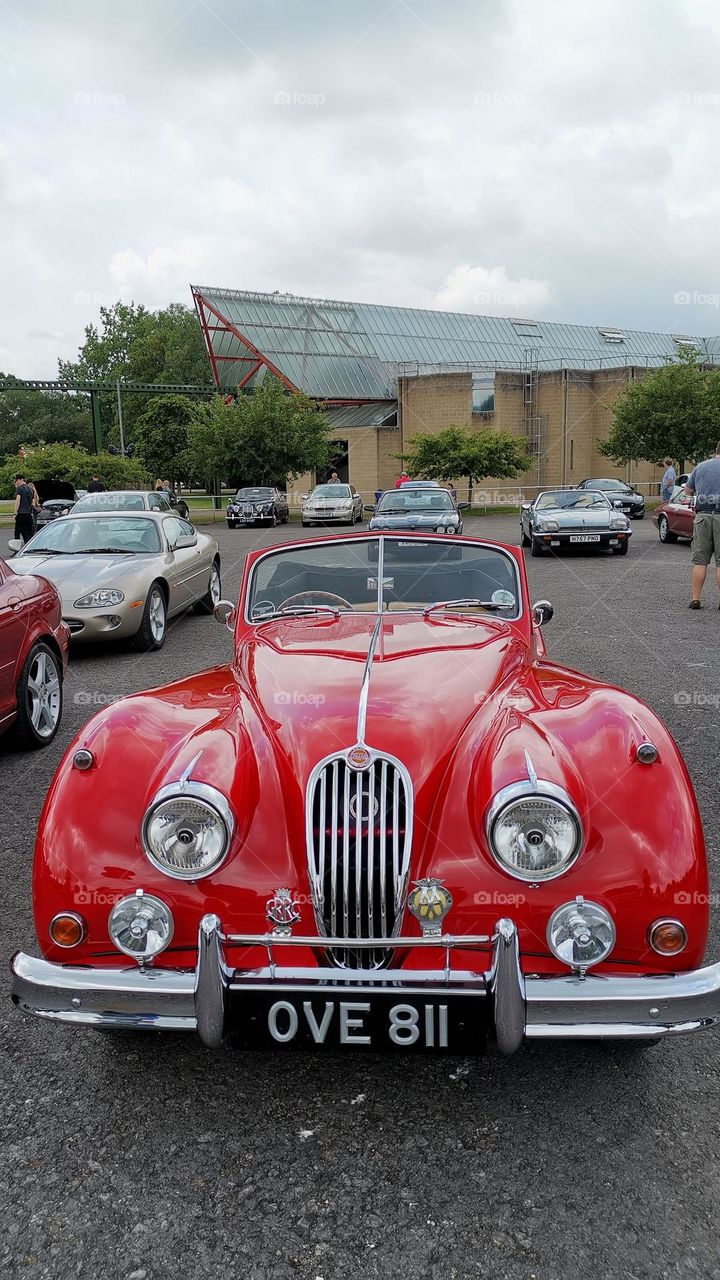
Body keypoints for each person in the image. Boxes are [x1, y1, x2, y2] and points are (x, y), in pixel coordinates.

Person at [684, 443, 720, 608]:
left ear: (716, 451)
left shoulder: (701, 467)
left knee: (700, 561)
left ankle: (695, 599)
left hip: (703, 516)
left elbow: (688, 491)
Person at [13, 474, 35, 545]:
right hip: (28, 514)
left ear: (20, 480)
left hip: (21, 514)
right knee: (29, 533)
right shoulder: (31, 490)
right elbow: (33, 503)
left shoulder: (19, 489)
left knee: (17, 533)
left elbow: (18, 501)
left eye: (16, 481)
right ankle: (29, 546)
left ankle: (17, 549)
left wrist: (15, 513)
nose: (16, 482)